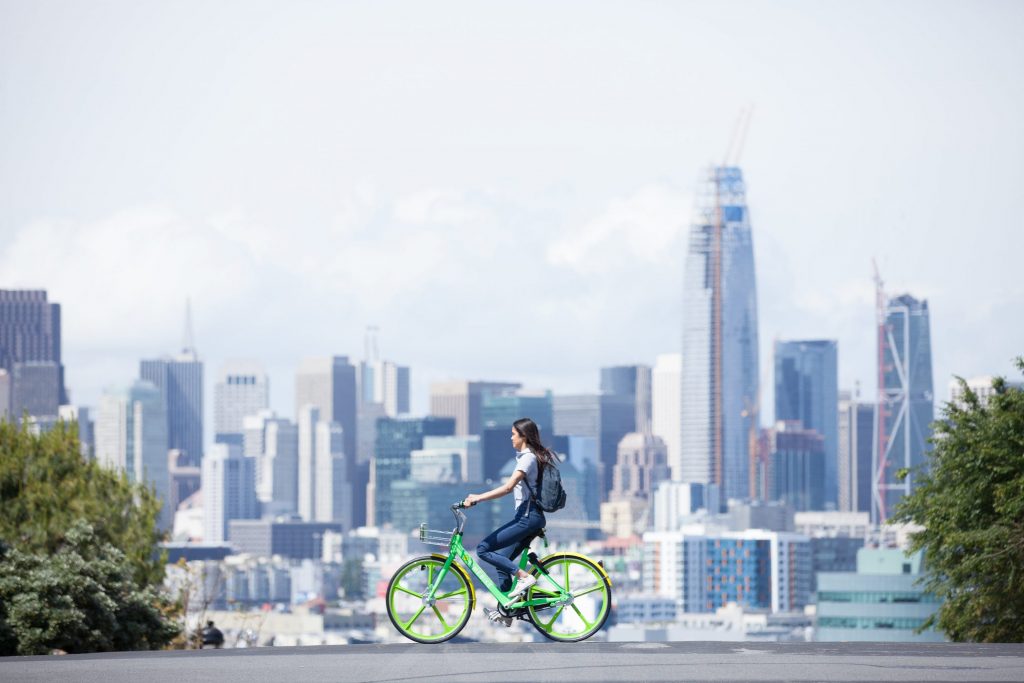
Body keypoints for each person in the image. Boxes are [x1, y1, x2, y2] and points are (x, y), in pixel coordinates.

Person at [463, 417, 554, 627]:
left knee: (484, 549)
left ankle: (524, 577)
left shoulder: (527, 459)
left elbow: (507, 488)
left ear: (523, 436)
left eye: (514, 434)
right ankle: (508, 607)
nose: (510, 437)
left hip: (527, 517)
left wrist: (477, 497)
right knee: (501, 560)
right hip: (529, 517)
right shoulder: (528, 457)